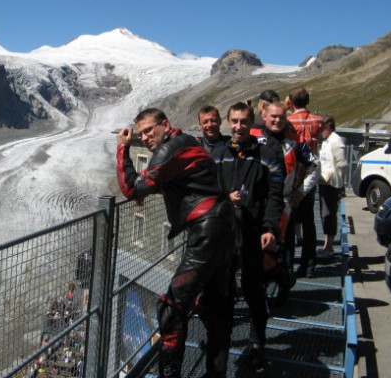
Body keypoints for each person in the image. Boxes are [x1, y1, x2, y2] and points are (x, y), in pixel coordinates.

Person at [116, 108, 236, 378]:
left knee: (170, 309)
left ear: (165, 124)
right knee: (216, 309)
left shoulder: (168, 149)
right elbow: (169, 181)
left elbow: (132, 189)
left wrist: (123, 149)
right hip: (220, 229)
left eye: (150, 130)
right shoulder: (185, 143)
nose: (145, 137)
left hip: (207, 234)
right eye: (142, 133)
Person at [212, 102, 284, 369]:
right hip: (225, 234)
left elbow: (276, 196)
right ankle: (223, 339)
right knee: (224, 289)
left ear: (251, 122)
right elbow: (209, 189)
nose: (238, 126)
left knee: (254, 289)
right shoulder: (219, 154)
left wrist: (270, 227)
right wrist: (224, 198)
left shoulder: (266, 154)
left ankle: (257, 343)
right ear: (228, 123)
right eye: (234, 121)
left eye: (243, 121)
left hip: (254, 232)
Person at [253, 101, 320, 304]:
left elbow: (315, 165)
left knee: (283, 249)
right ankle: (261, 290)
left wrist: (301, 191)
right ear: (264, 116)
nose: (277, 120)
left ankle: (283, 288)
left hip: (283, 204)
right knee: (257, 249)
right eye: (273, 116)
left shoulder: (295, 141)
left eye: (281, 117)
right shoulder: (253, 136)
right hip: (256, 203)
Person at [286, 87, 324, 277]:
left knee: (291, 222)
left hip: (294, 175)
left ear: (291, 101)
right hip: (311, 172)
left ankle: (289, 264)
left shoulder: (288, 121)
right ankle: (309, 265)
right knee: (309, 221)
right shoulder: (318, 120)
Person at [318, 116, 348, 256]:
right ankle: (326, 245)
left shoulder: (336, 141)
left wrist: (341, 183)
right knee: (325, 213)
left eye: (322, 128)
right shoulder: (326, 141)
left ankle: (329, 247)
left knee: (329, 213)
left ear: (328, 127)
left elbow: (342, 164)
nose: (320, 131)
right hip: (324, 180)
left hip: (331, 182)